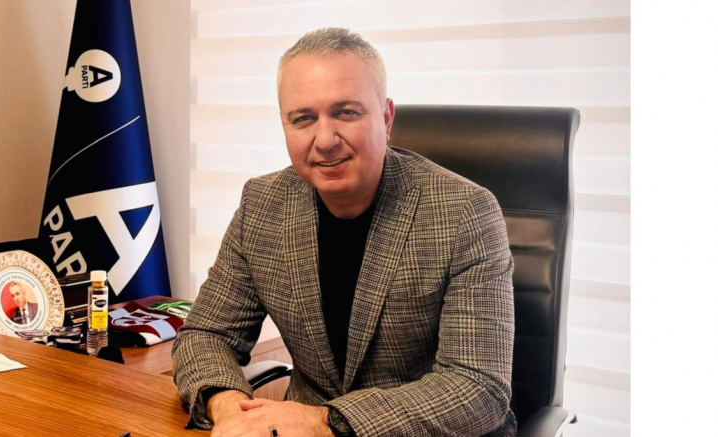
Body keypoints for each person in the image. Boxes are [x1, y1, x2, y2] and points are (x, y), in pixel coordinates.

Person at [172, 28, 516, 437]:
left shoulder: (464, 212)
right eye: (303, 118)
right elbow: (206, 333)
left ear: (386, 118)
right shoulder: (262, 205)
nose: (325, 140)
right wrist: (230, 408)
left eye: (346, 113)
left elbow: (477, 387)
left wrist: (323, 420)